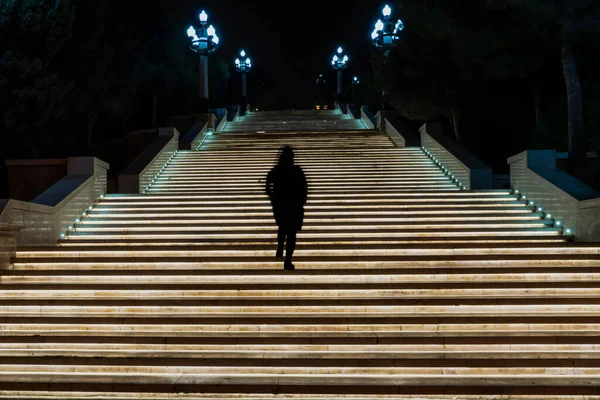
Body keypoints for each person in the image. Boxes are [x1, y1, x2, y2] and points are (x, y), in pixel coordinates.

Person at [265, 145, 308, 270]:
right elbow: (304, 186)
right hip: (294, 205)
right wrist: (302, 199)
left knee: (283, 227)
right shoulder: (297, 170)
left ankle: (280, 247)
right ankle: (288, 259)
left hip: (281, 204)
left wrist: (272, 197)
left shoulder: (277, 170)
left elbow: (268, 185)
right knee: (291, 233)